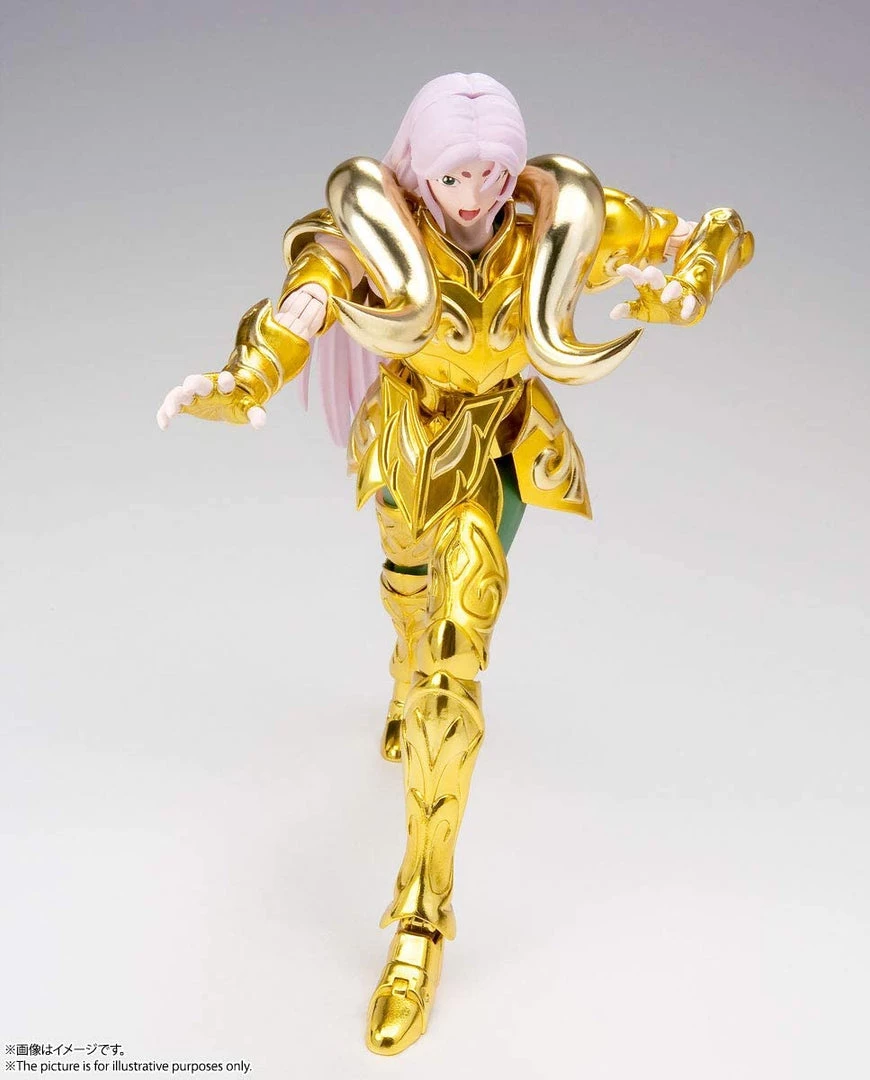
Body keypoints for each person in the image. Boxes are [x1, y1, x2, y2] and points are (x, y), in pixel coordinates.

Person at [157, 72, 754, 1056]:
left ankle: (420, 921)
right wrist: (247, 376)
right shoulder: (379, 230)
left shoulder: (555, 223)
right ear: (418, 169)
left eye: (491, 173)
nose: (474, 195)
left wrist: (694, 280)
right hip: (406, 439)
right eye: (453, 175)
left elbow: (712, 232)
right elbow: (307, 300)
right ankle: (402, 674)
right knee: (406, 590)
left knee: (454, 661)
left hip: (498, 450)